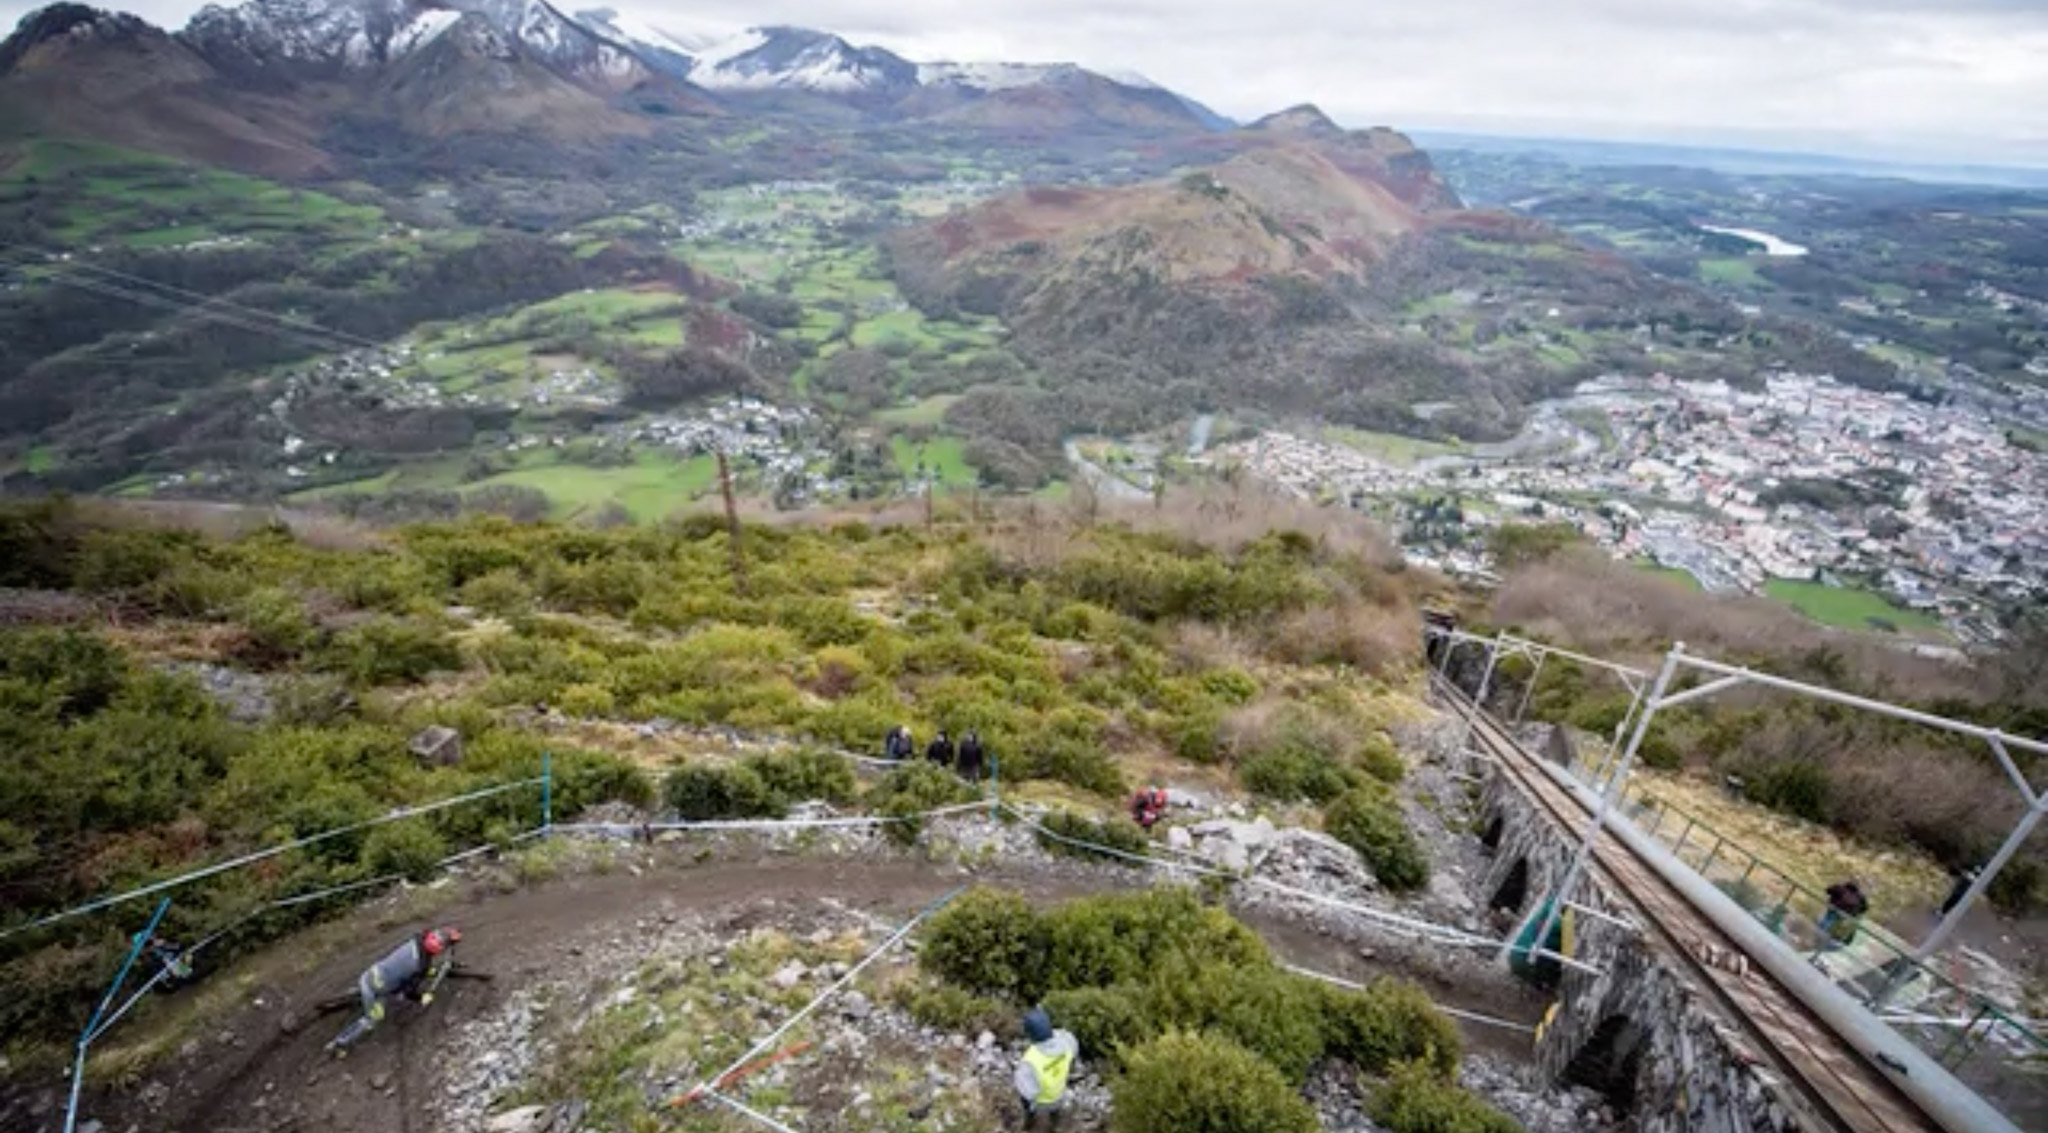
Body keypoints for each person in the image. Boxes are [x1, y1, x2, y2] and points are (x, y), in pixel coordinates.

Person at [328, 925, 461, 1054]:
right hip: (377, 991)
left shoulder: (417, 939)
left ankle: (356, 994)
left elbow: (429, 943)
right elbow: (408, 992)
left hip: (370, 973)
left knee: (377, 981)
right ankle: (339, 1044)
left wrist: (447, 936)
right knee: (374, 1019)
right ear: (438, 948)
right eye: (443, 946)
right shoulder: (420, 966)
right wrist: (422, 997)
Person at [1013, 1007, 1078, 1130]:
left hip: (1041, 1103)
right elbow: (1073, 1054)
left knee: (1025, 1099)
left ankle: (1029, 1122)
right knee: (1055, 1110)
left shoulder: (1029, 1060)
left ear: (1029, 1034)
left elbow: (1027, 1092)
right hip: (1059, 1095)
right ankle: (1054, 1124)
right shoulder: (1067, 1042)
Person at [1819, 881, 1868, 947]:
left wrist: (1833, 897)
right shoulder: (1860, 896)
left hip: (1835, 908)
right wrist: (1856, 912)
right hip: (1847, 914)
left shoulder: (1840, 888)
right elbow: (1865, 908)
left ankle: (1819, 934)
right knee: (1838, 925)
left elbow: (1828, 890)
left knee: (1828, 920)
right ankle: (1834, 939)